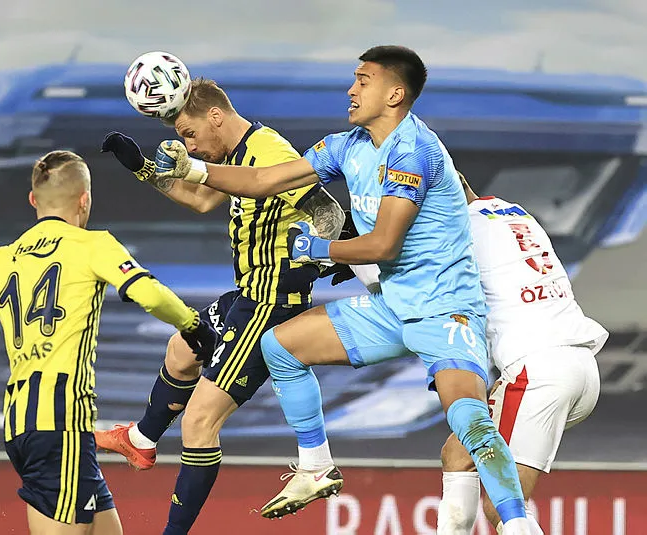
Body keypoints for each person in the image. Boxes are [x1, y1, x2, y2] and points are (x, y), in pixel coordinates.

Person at [151, 46, 532, 533]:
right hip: (391, 307)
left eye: (363, 81)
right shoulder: (347, 145)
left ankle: (518, 525)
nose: (351, 90)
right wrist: (192, 171)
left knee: (469, 421)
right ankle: (316, 467)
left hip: (443, 310)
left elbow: (385, 244)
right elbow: (265, 179)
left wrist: (320, 248)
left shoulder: (413, 150)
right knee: (279, 346)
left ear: (394, 94)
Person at [0, 150, 217, 535]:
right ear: (84, 200)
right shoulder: (92, 245)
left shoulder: (0, 261)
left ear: (33, 200)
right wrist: (192, 324)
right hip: (60, 424)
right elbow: (147, 293)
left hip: (26, 424)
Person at [95, 78, 344, 534]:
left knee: (199, 421)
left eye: (189, 134)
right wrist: (141, 167)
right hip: (248, 294)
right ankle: (141, 439)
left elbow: (328, 211)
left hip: (271, 304)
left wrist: (328, 253)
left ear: (215, 116)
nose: (189, 146)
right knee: (182, 350)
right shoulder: (234, 153)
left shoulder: (268, 151)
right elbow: (200, 198)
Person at [435, 174, 609, 534]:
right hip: (581, 366)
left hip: (537, 371)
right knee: (459, 453)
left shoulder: (455, 232)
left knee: (500, 506)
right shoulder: (513, 212)